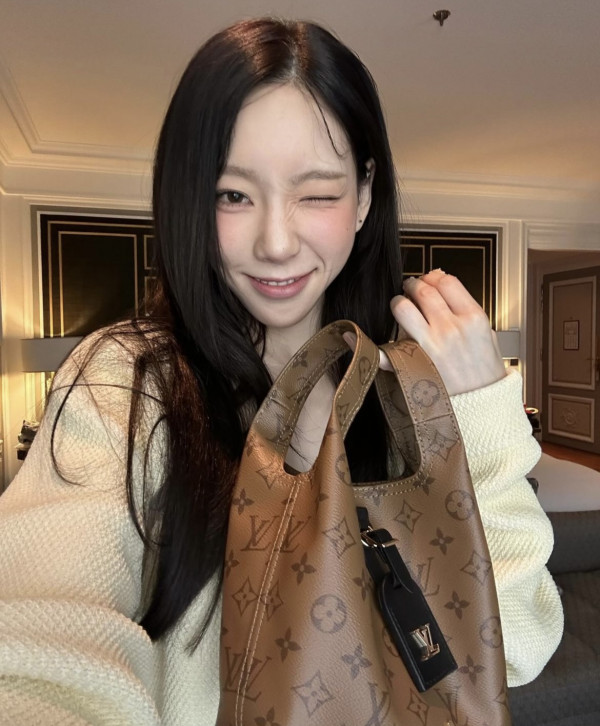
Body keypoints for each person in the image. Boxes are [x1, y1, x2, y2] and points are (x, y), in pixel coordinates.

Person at [0, 17, 562, 726]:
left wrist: (481, 408)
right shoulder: (127, 382)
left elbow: (516, 647)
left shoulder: (402, 394)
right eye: (232, 195)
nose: (274, 241)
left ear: (364, 196)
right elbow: (41, 646)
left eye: (317, 194)